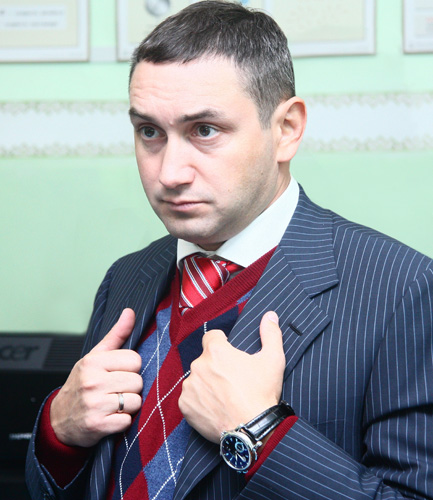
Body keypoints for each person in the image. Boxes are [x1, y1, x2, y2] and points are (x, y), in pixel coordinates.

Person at [26, 1, 433, 499]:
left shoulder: (402, 289)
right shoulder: (127, 277)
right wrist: (60, 433)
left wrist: (262, 433)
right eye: (150, 132)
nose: (169, 173)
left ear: (286, 129)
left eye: (204, 130)